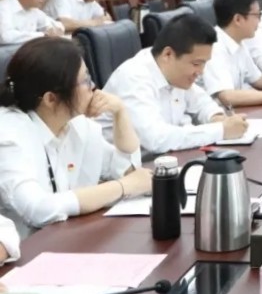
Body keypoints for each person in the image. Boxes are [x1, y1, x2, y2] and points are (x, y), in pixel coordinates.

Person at [0, 38, 151, 237]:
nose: (93, 86)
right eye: (85, 81)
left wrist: (120, 113)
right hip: (26, 249)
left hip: (68, 238)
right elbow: (38, 209)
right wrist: (123, 187)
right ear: (51, 99)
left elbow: (128, 171)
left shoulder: (77, 123)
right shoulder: (9, 136)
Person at [101, 15, 248, 154]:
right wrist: (221, 130)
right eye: (196, 64)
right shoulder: (134, 78)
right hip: (122, 167)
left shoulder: (172, 70)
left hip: (162, 159)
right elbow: (156, 139)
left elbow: (201, 101)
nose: (201, 72)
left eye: (204, 64)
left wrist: (216, 117)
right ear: (168, 54)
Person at [0, 0, 64, 45]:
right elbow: (5, 37)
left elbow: (56, 25)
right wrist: (43, 35)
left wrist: (53, 29)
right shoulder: (3, 8)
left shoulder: (33, 9)